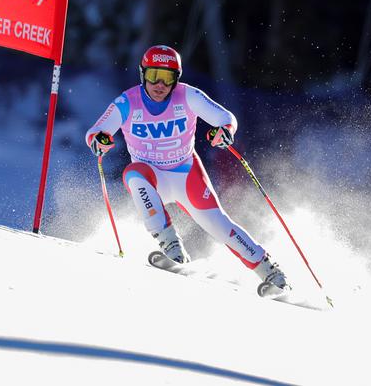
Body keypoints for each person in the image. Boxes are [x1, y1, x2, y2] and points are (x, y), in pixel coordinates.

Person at [85, 45, 287, 292]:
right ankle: (172, 248)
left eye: (168, 78)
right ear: (143, 74)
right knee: (133, 174)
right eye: (153, 76)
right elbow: (95, 131)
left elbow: (226, 119)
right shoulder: (128, 102)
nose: (160, 84)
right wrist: (99, 139)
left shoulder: (188, 95)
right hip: (152, 178)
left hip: (186, 175)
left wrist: (225, 131)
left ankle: (273, 274)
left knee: (220, 226)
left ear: (176, 79)